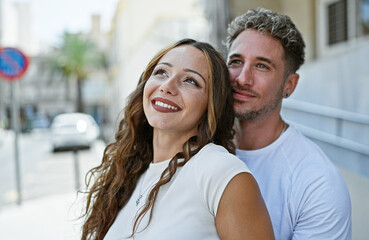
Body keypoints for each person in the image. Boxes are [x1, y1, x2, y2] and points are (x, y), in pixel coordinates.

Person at [80, 38, 274, 240]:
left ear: (212, 105)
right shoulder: (132, 173)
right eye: (161, 72)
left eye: (191, 80)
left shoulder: (220, 172)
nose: (167, 86)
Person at [226, 8, 352, 239]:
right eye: (236, 61)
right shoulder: (198, 148)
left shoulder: (317, 183)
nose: (243, 78)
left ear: (289, 85)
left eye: (262, 66)